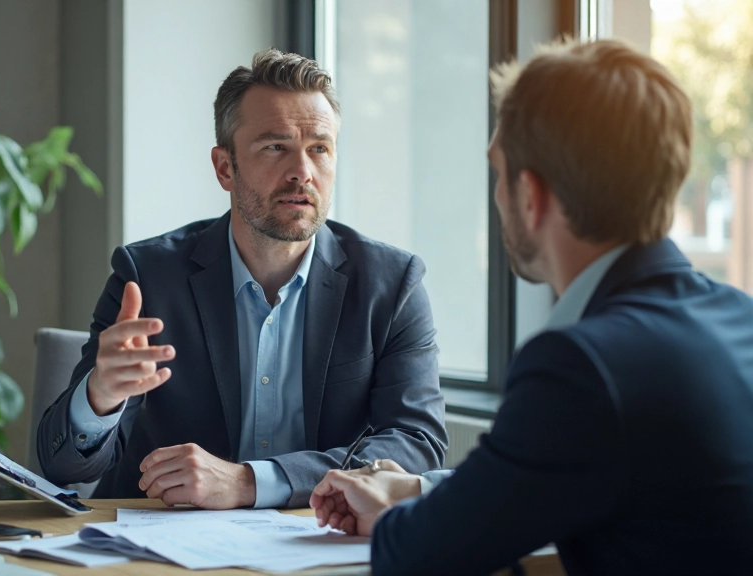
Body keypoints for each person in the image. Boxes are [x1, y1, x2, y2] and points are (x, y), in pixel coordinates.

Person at [311, 38, 753, 575]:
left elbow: (420, 555)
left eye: (498, 171)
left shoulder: (582, 365)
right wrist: (417, 488)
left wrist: (393, 518)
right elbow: (545, 473)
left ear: (530, 195)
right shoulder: (737, 318)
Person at [36, 48, 448, 510]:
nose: (302, 172)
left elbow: (417, 443)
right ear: (224, 167)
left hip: (317, 540)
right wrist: (100, 397)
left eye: (319, 148)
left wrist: (250, 483)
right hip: (162, 546)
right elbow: (64, 469)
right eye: (275, 147)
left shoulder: (392, 285)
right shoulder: (148, 277)